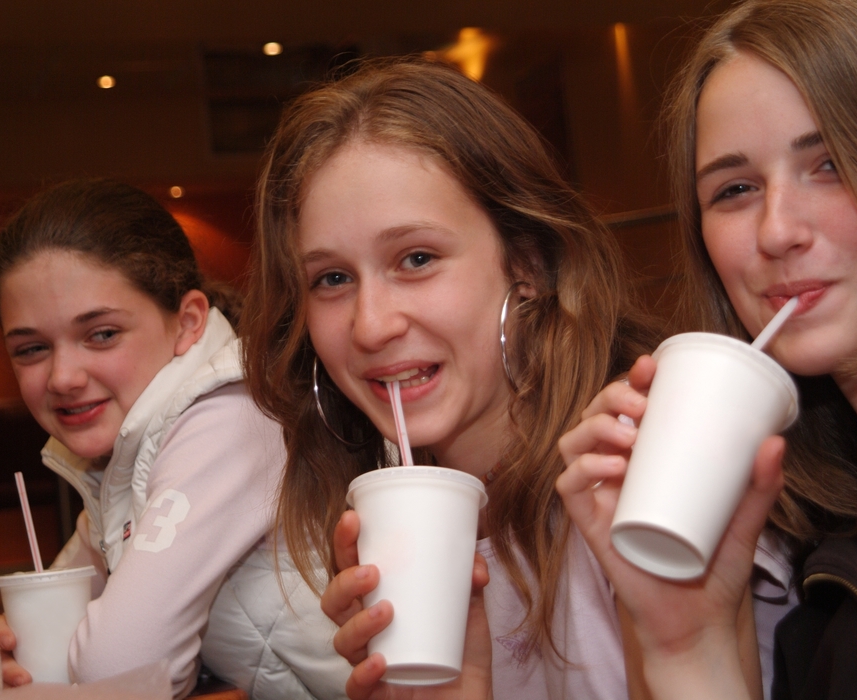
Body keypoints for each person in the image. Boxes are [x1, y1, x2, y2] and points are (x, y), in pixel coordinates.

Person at [556, 0, 857, 697]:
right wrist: (688, 642)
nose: (776, 230)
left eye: (830, 163)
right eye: (734, 190)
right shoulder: (827, 572)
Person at [240, 58, 671, 699]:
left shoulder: (645, 470)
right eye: (331, 278)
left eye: (416, 259)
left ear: (525, 264)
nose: (370, 326)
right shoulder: (380, 526)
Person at [0, 179, 350, 699]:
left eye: (102, 334)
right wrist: (22, 649)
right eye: (31, 349)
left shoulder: (229, 415)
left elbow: (123, 671)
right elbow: (63, 616)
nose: (63, 376)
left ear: (188, 322)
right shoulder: (123, 454)